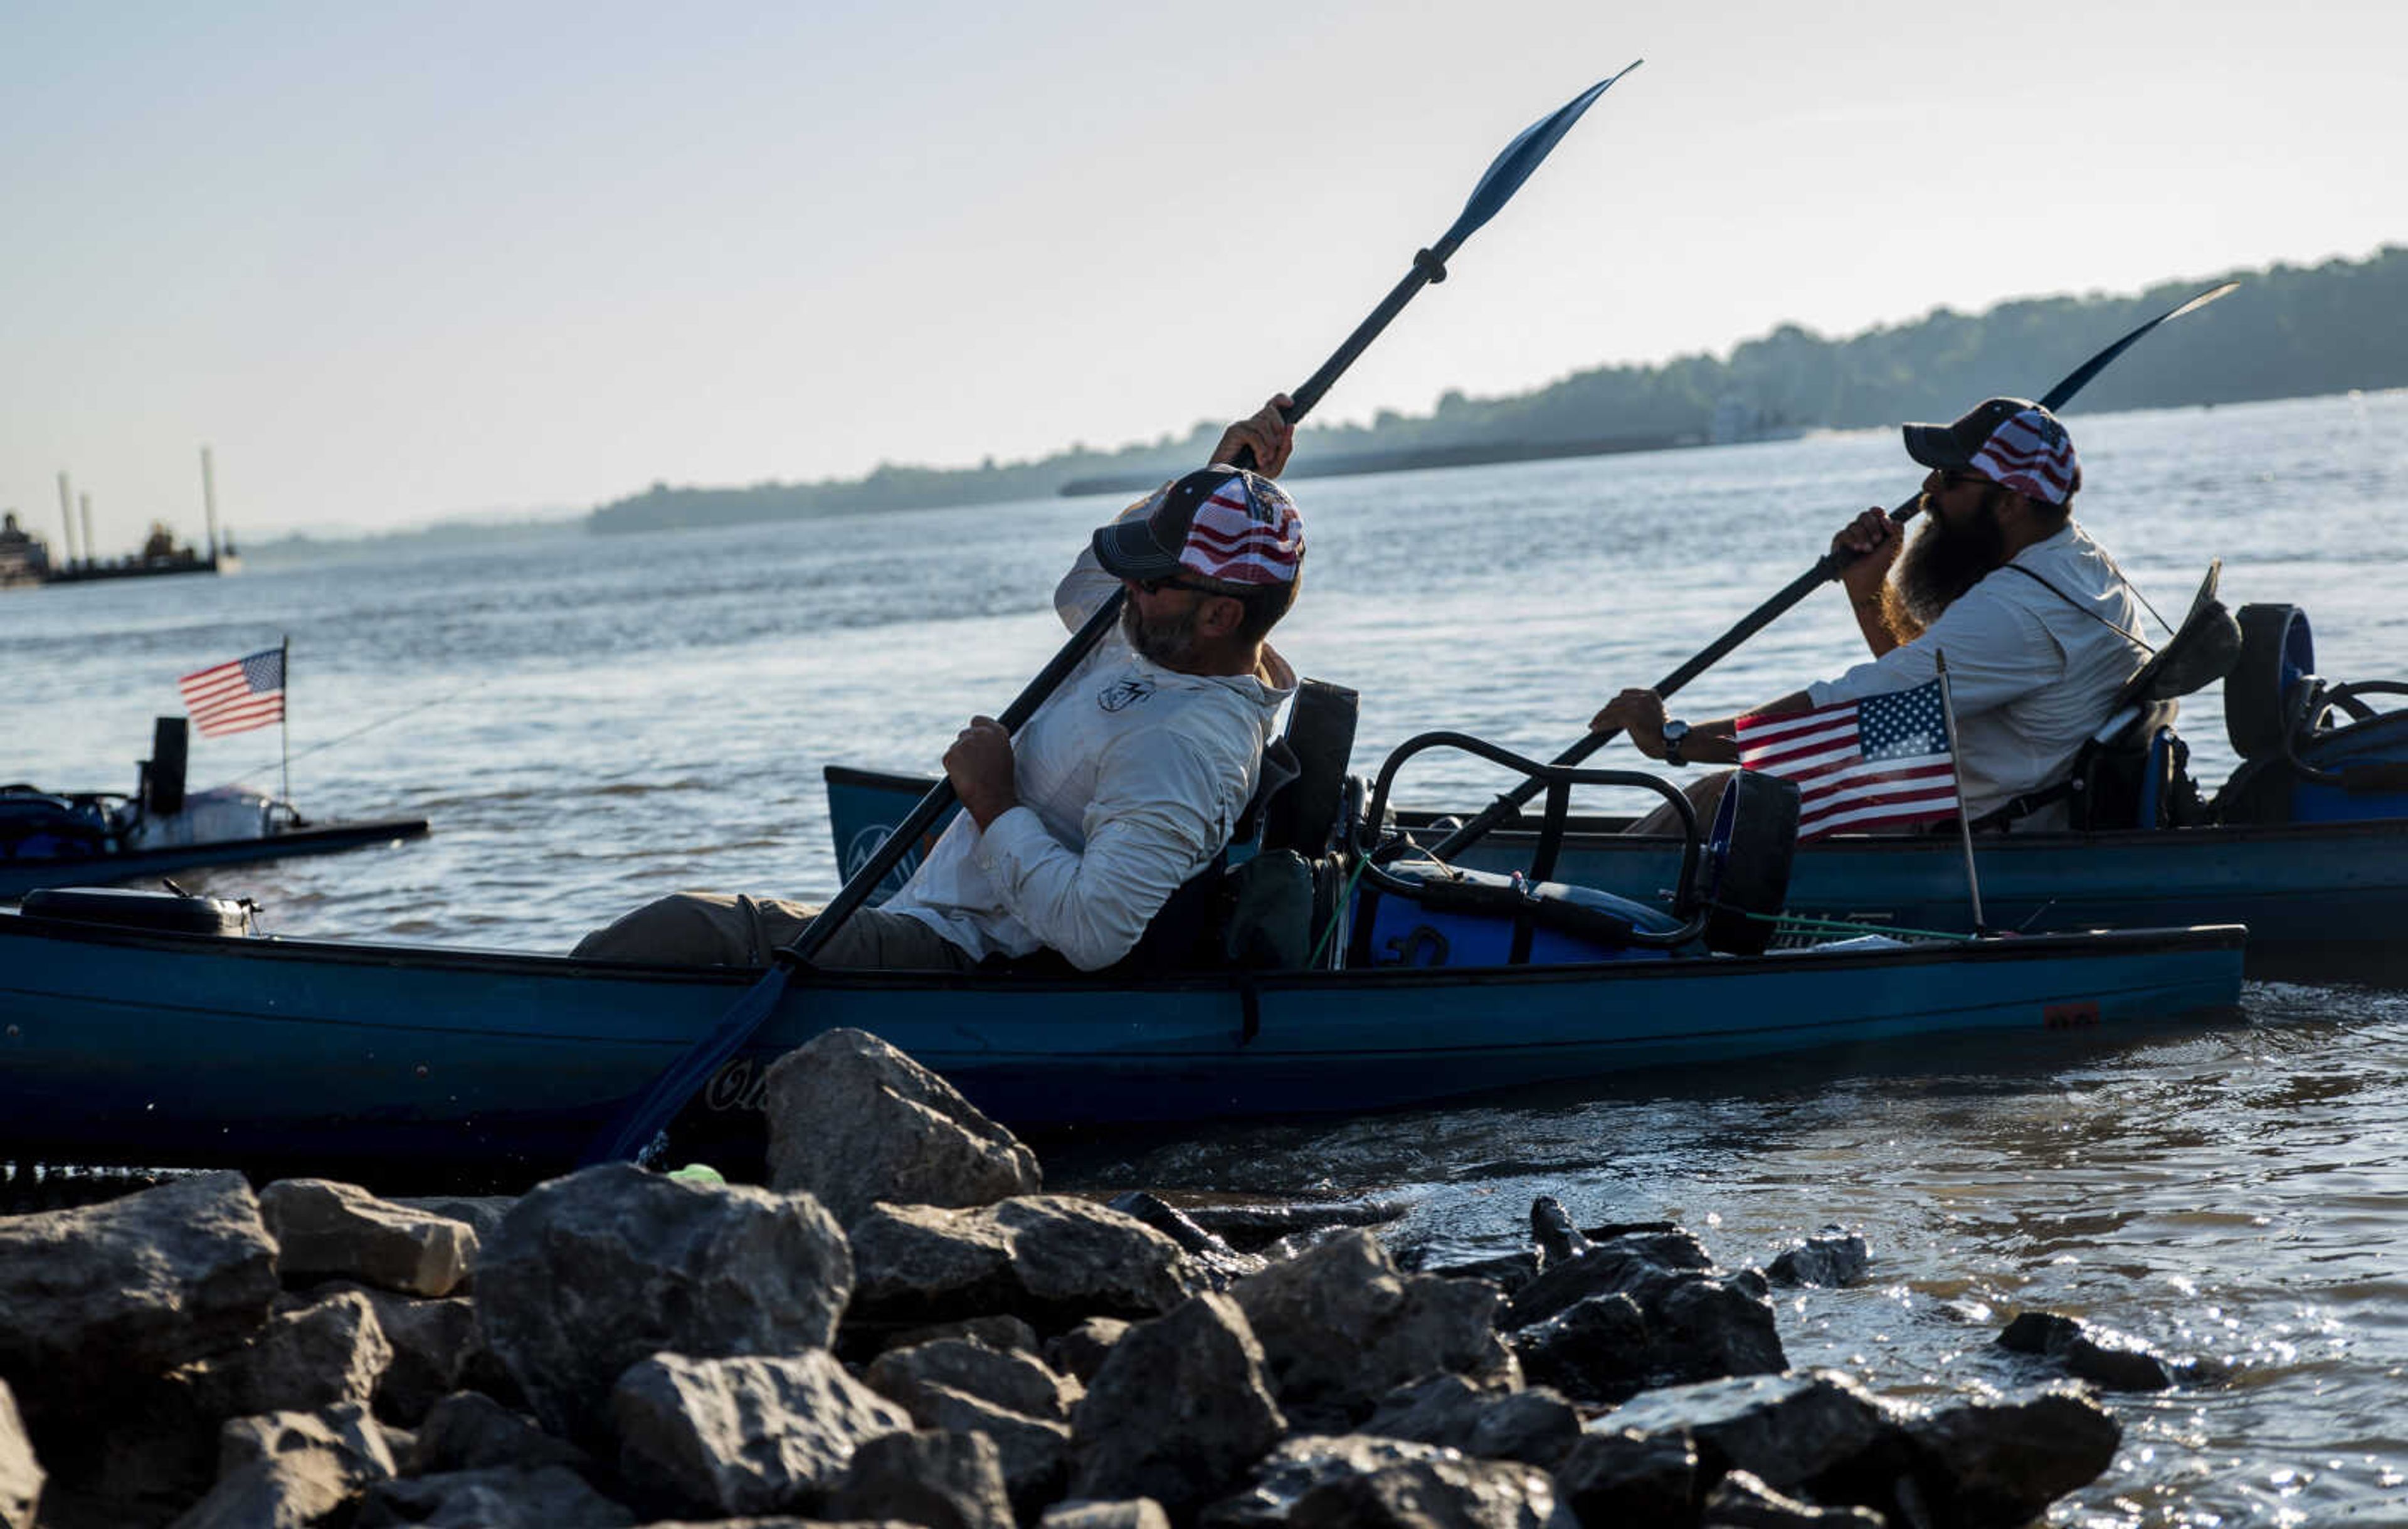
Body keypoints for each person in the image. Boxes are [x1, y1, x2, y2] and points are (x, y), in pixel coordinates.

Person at [574, 397, 1305, 970]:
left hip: (965, 951)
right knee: (682, 933)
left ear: (1219, 612)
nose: (1130, 587)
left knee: (685, 930)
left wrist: (993, 802)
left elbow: (1095, 932)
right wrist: (1204, 490)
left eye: (1151, 577)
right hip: (929, 911)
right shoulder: (1163, 643)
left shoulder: (1185, 743)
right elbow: (1080, 588)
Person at [1593, 398, 2150, 832]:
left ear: (2010, 503)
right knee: (1738, 791)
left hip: (1989, 837)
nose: (1929, 490)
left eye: (1951, 479)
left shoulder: (2018, 611)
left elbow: (1845, 708)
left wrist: (1672, 738)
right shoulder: (2078, 561)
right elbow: (1931, 674)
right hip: (1992, 789)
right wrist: (1869, 590)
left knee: (1727, 796)